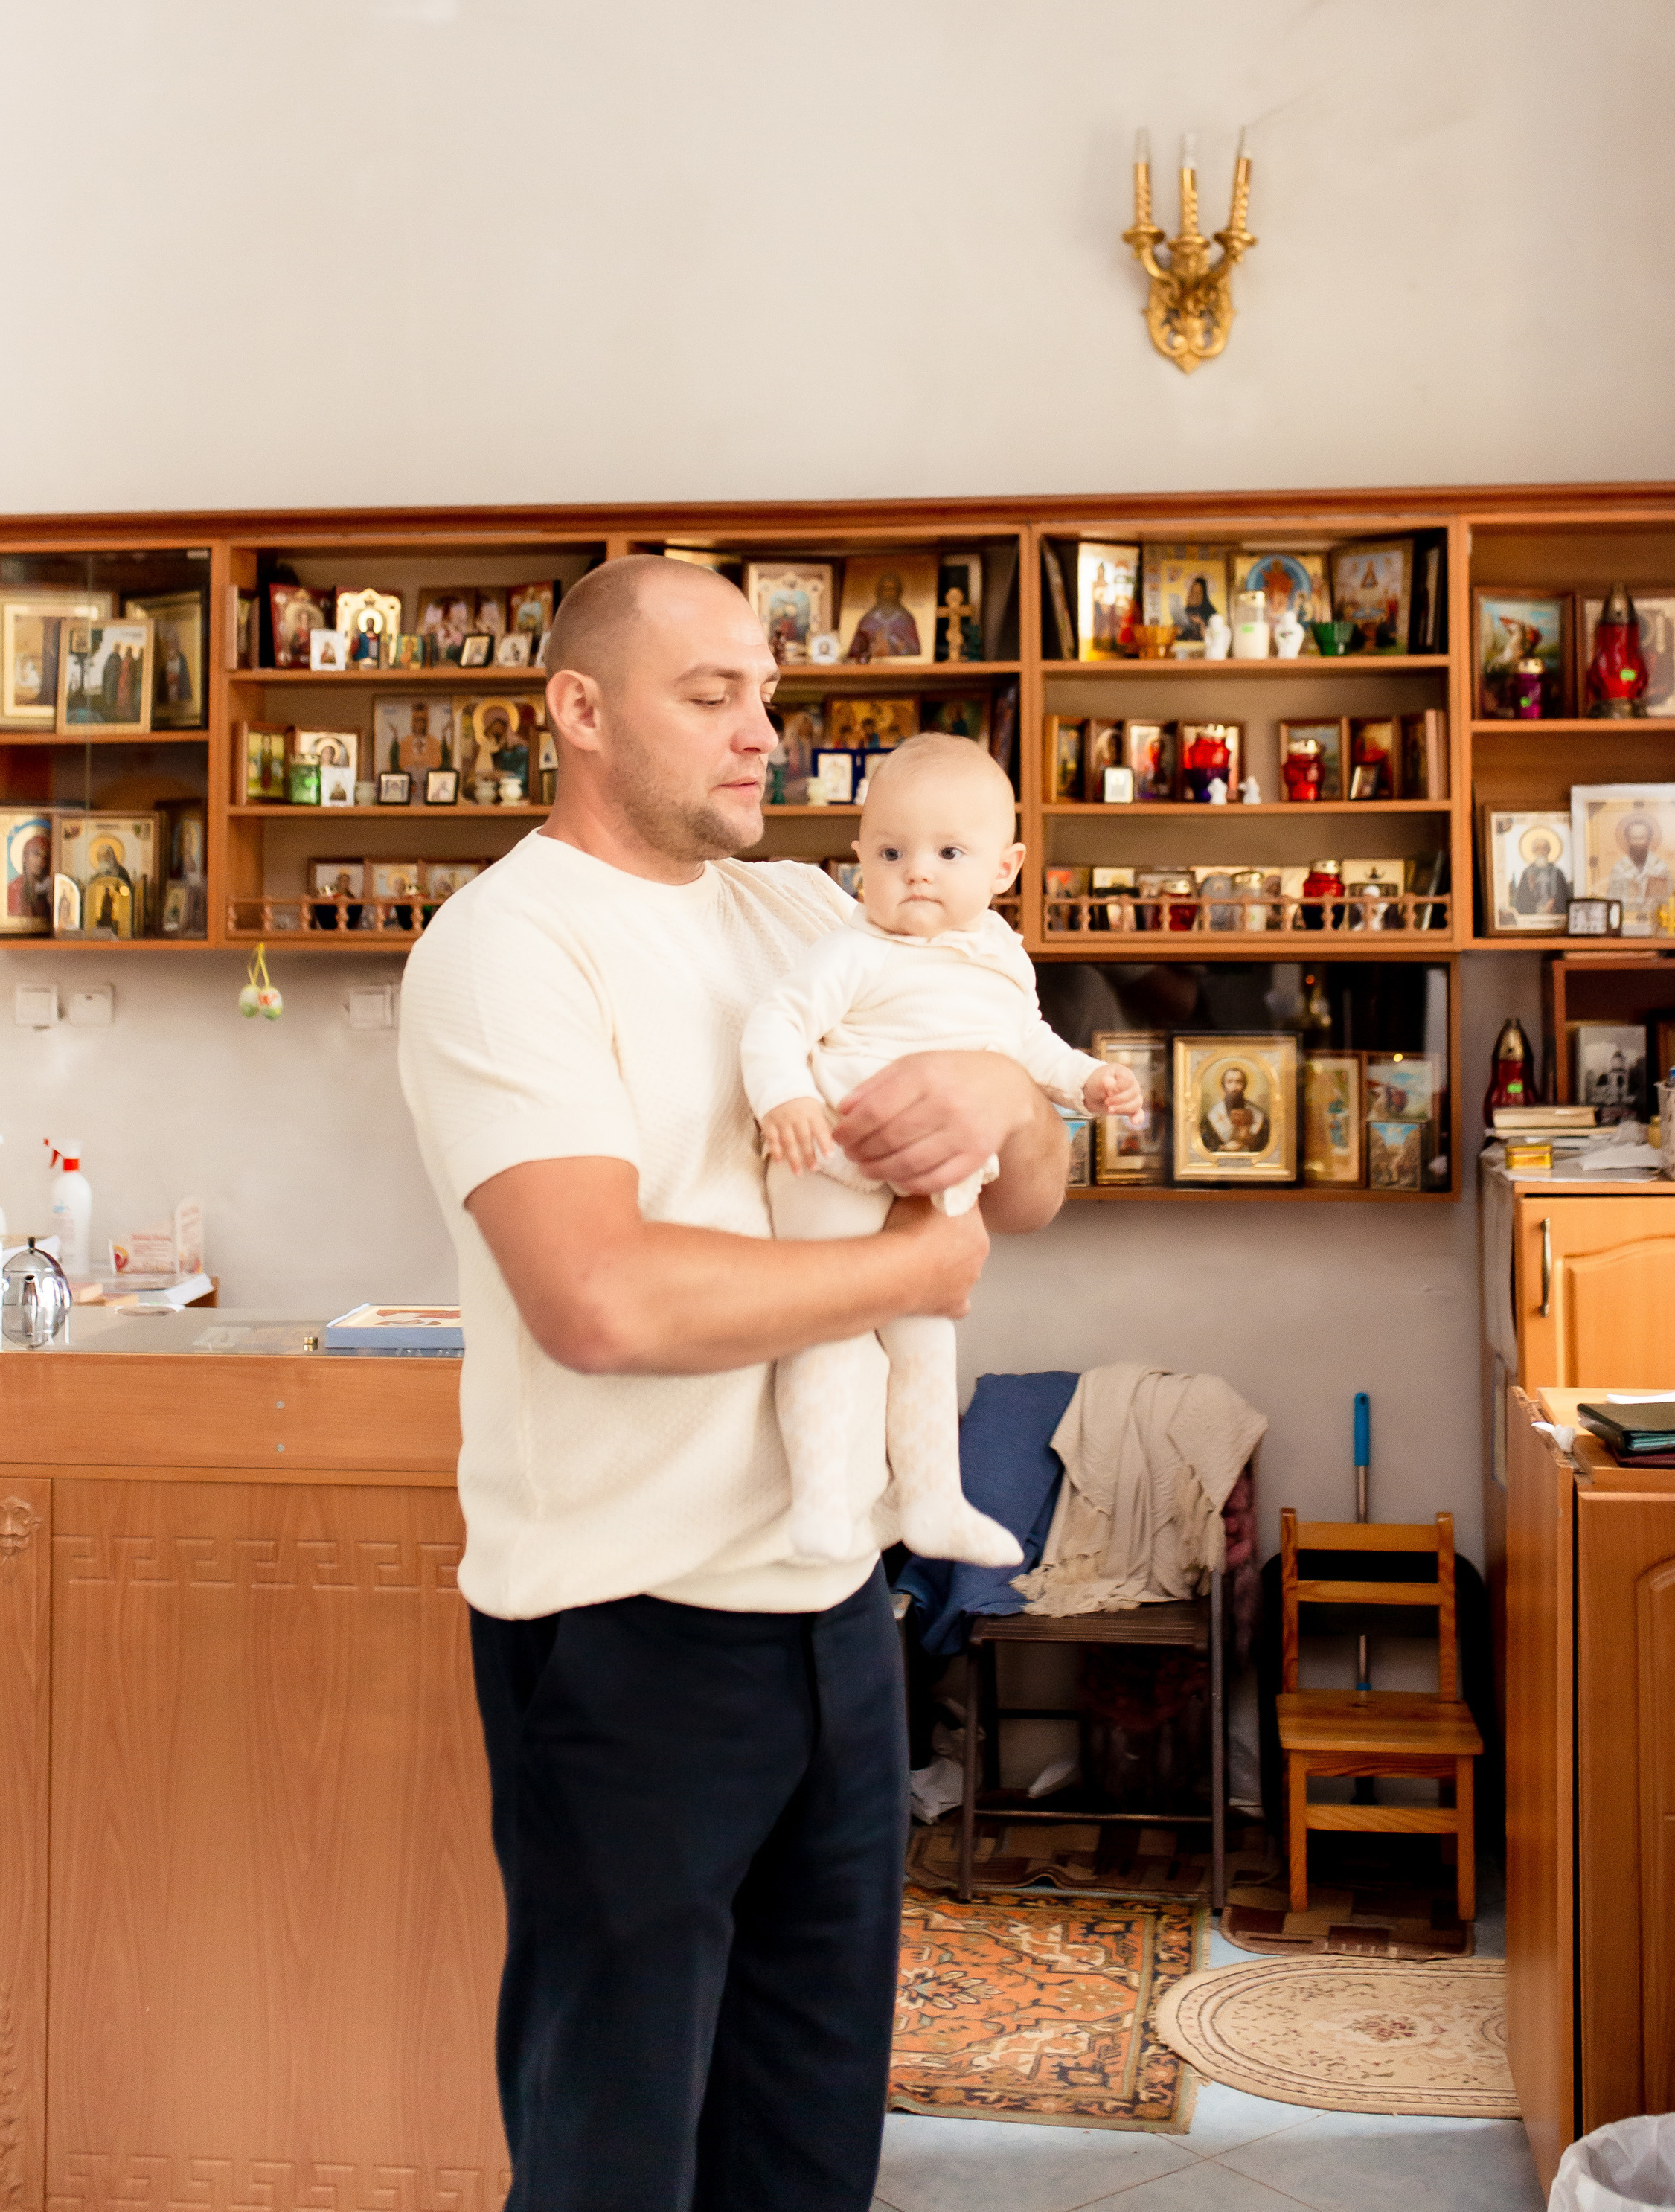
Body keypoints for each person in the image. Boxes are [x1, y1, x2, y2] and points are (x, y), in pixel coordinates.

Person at [396, 557, 1069, 2212]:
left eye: (766, 696)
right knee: (615, 2157)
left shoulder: (807, 912)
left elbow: (1038, 1185)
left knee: (804, 2139)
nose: (763, 734)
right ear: (577, 711)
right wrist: (911, 1274)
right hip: (626, 1645)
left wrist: (996, 1081)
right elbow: (601, 1298)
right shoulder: (506, 947)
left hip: (837, 1622)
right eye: (712, 699)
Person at [740, 734, 1142, 1566]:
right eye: (890, 852)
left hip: (929, 1181)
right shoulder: (852, 950)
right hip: (832, 1157)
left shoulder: (999, 956)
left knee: (926, 1339)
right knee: (827, 1329)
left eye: (948, 852)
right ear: (858, 861)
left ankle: (930, 1499)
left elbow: (1024, 1044)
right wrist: (785, 1099)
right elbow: (775, 1022)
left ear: (1005, 868)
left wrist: (1088, 1081)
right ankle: (818, 1505)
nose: (916, 872)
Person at [845, 570, 920, 661]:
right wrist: (871, 653)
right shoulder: (867, 620)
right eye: (886, 589)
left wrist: (901, 647)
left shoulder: (906, 619)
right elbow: (854, 654)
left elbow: (916, 652)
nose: (889, 593)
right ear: (880, 592)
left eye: (893, 589)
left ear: (899, 592)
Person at [1202, 1062, 1269, 1153]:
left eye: (1239, 1082)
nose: (1234, 1087)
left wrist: (1251, 1140)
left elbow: (1265, 1146)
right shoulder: (1210, 1117)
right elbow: (1206, 1146)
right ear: (1223, 1086)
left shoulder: (1259, 1116)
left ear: (1244, 1086)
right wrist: (1224, 1148)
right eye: (1229, 1082)